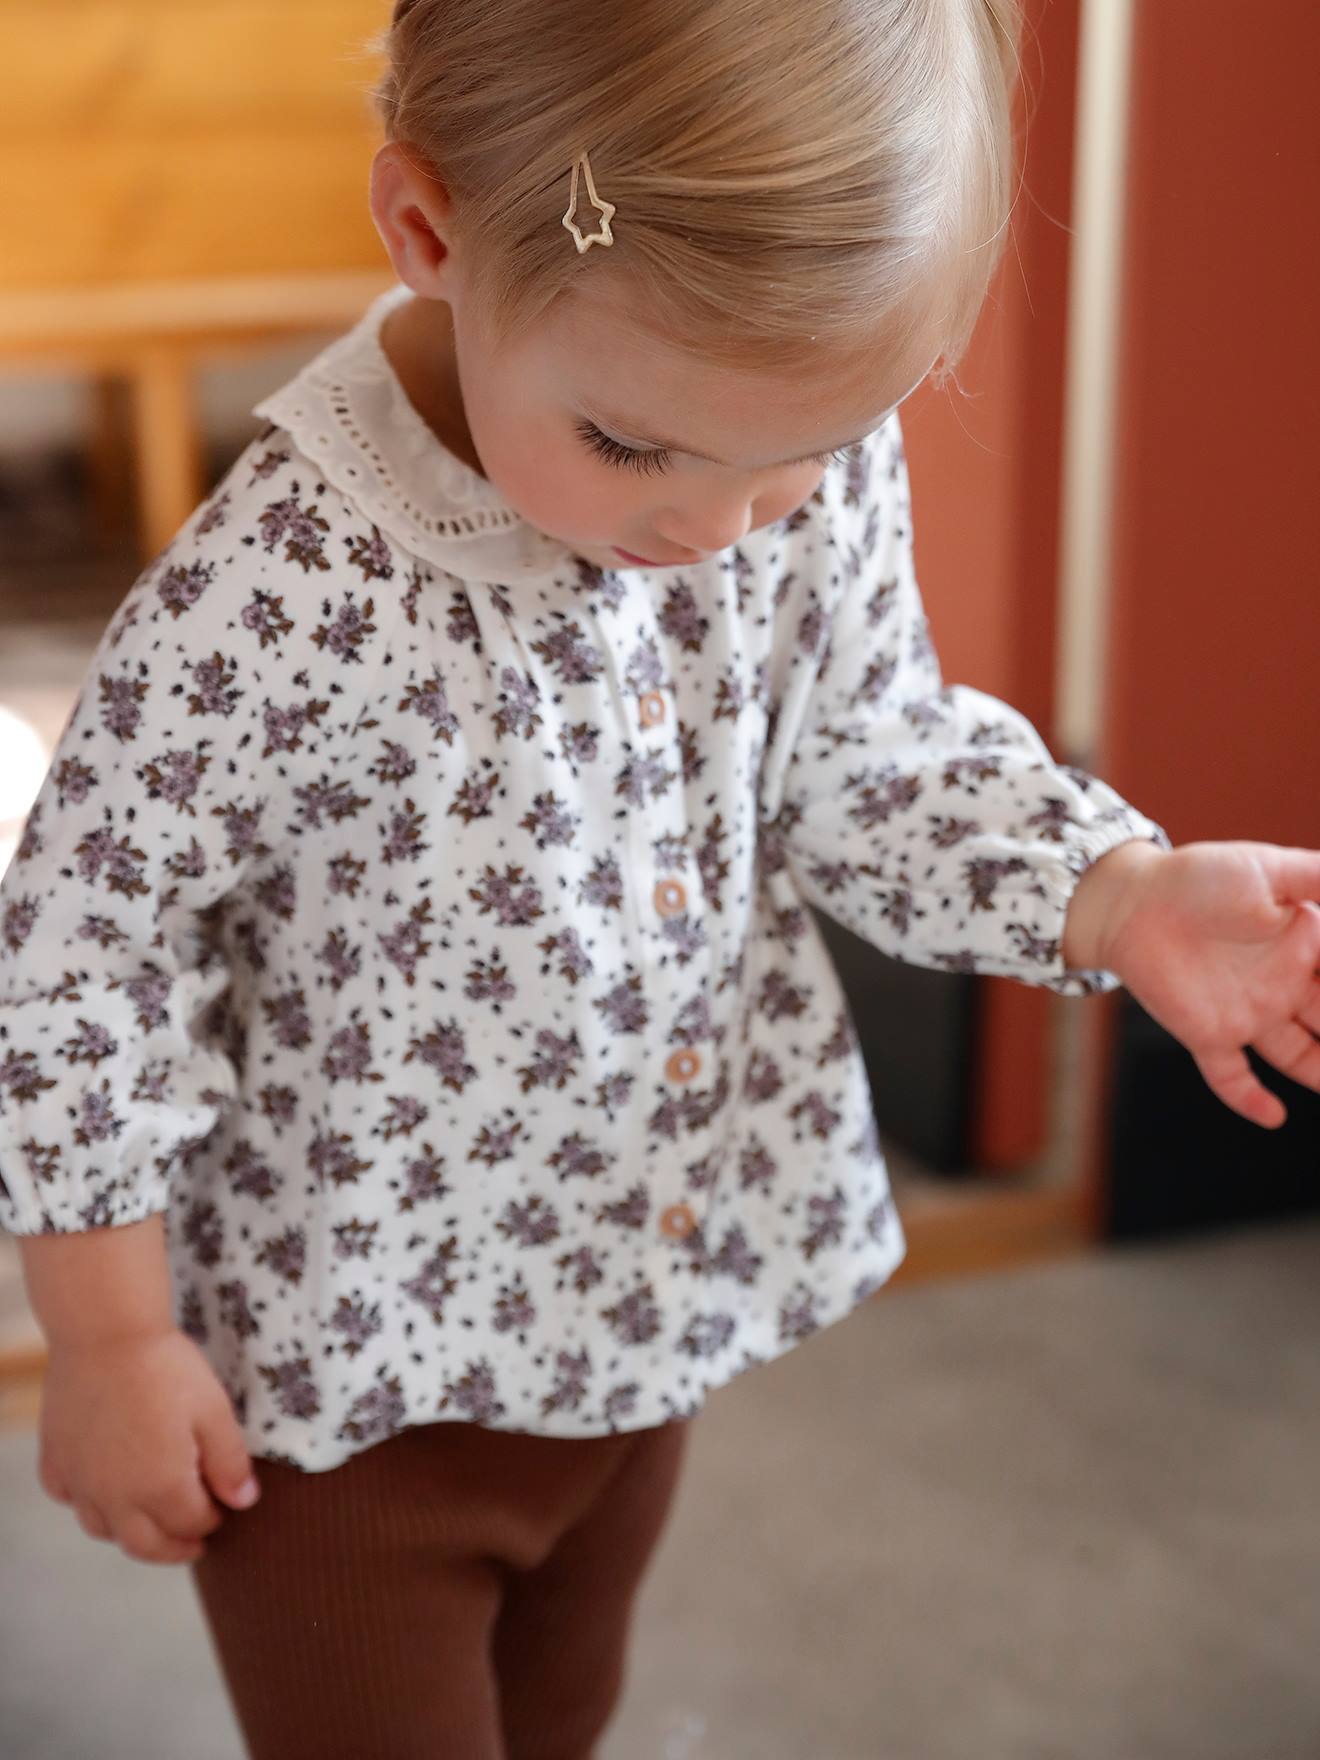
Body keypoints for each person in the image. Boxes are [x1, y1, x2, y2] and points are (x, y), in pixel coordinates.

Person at [4, 1, 1319, 1755]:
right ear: (428, 230)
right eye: (635, 449)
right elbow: (83, 952)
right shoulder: (278, 597)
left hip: (637, 1317)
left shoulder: (778, 473)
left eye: (803, 458)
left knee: (569, 1714)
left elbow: (869, 758)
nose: (721, 530)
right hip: (347, 1393)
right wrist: (101, 1338)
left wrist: (1120, 891)